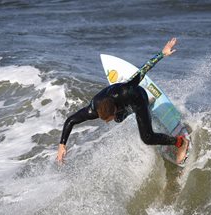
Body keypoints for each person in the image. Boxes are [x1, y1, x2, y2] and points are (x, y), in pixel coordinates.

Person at [56, 37, 189, 165]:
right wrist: (62, 145)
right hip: (120, 106)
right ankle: (125, 114)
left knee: (147, 138)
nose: (106, 121)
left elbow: (143, 71)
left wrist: (162, 54)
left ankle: (180, 143)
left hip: (137, 98)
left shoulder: (126, 90)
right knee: (118, 119)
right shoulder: (93, 108)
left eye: (107, 118)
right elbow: (71, 120)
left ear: (113, 109)